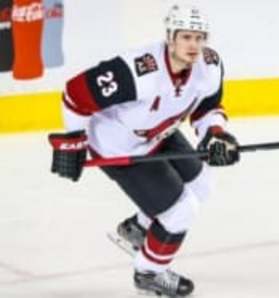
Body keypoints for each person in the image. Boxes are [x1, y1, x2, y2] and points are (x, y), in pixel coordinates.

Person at [48, 4, 239, 297]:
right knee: (181, 212)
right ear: (171, 37)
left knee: (202, 185)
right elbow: (75, 94)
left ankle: (138, 228)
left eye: (200, 38)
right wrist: (75, 140)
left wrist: (216, 134)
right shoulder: (138, 70)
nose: (194, 46)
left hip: (159, 132)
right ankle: (148, 273)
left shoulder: (209, 66)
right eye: (187, 37)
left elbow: (207, 108)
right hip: (118, 144)